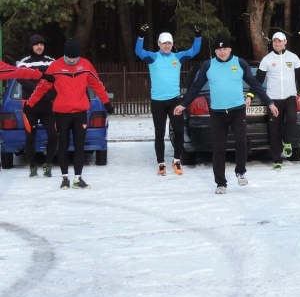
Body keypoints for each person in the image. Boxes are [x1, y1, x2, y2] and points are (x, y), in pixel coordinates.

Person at [174, 35, 278, 194]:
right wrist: (183, 104)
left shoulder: (240, 63)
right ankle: (220, 183)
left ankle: (241, 171)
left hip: (237, 110)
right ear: (215, 51)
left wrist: (269, 103)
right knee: (219, 148)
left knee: (241, 142)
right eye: (219, 49)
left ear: (230, 49)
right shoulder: (208, 65)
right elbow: (196, 87)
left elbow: (255, 84)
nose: (222, 52)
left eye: (225, 49)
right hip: (218, 113)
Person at [25, 40, 114, 190]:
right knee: (63, 145)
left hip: (80, 113)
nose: (72, 60)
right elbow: (42, 86)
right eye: (69, 58)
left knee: (79, 146)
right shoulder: (55, 66)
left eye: (75, 58)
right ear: (64, 55)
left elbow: (97, 84)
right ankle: (65, 178)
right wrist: (30, 104)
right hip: (62, 113)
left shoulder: (85, 65)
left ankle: (78, 178)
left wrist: (106, 103)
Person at [135, 24, 201, 176]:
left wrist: (198, 36)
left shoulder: (177, 57)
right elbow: (139, 51)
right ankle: (161, 163)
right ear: (158, 44)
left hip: (174, 101)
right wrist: (140, 36)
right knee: (159, 133)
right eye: (164, 43)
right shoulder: (153, 57)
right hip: (157, 102)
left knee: (178, 131)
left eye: (169, 43)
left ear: (172, 44)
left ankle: (176, 160)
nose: (166, 46)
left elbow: (194, 51)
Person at [256, 32, 300, 170]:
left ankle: (288, 142)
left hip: (290, 97)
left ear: (285, 42)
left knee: (292, 118)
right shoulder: (267, 59)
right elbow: (258, 80)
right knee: (274, 129)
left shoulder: (293, 57)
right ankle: (277, 160)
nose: (277, 44)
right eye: (275, 41)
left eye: (280, 41)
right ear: (272, 43)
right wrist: (250, 95)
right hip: (273, 99)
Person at [16, 34, 58, 178]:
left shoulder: (51, 62)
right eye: (36, 44)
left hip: (47, 106)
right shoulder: (25, 62)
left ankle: (48, 165)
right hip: (30, 105)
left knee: (53, 135)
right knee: (30, 136)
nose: (39, 47)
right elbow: (20, 78)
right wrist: (38, 89)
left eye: (42, 44)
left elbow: (57, 79)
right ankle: (32, 167)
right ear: (31, 46)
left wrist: (51, 94)